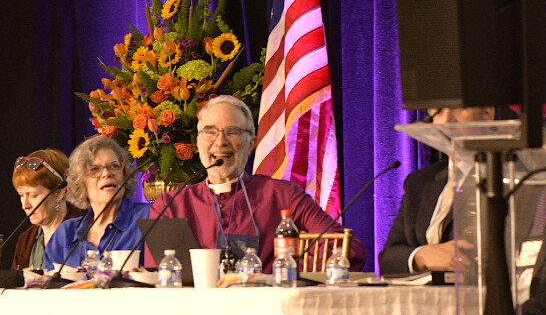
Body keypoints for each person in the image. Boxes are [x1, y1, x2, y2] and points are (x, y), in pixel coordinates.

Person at [151, 95, 367, 272]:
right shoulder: (170, 206)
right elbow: (157, 278)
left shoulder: (283, 196)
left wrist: (286, 272)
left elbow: (347, 248)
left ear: (251, 144)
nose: (220, 142)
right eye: (210, 132)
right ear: (198, 142)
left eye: (233, 132)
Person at [378, 106, 493, 276]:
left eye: (457, 107)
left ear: (487, 111)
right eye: (438, 111)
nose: (446, 119)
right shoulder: (420, 182)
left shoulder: (506, 178)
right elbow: (388, 259)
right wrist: (422, 256)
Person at [42, 136, 152, 270]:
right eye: (95, 169)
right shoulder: (65, 234)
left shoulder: (149, 217)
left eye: (114, 166)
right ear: (81, 180)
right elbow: (49, 281)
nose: (106, 173)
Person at [9, 149, 82, 270]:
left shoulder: (83, 233)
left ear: (58, 194)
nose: (25, 205)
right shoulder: (25, 239)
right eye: (21, 195)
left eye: (33, 195)